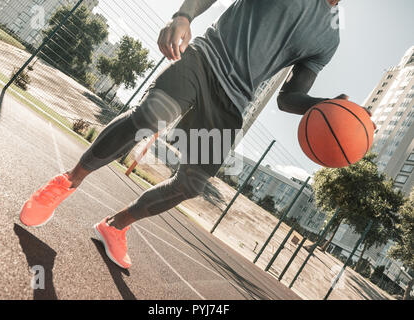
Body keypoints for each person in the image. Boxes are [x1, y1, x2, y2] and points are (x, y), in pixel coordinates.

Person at [20, 0, 351, 269]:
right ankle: (66, 182)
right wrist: (184, 15)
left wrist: (326, 105)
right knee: (149, 117)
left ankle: (115, 226)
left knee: (190, 185)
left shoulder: (329, 38)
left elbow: (288, 98)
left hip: (233, 103)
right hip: (204, 60)